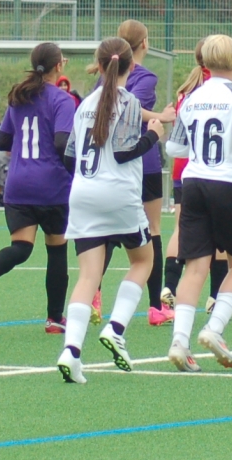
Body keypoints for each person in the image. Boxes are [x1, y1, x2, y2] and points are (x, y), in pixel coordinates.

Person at [54, 37, 165, 383]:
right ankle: (116, 329)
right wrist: (154, 135)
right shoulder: (129, 102)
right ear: (131, 66)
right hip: (119, 195)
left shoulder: (85, 103)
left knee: (88, 276)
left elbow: (70, 156)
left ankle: (71, 351)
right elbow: (123, 152)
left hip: (83, 195)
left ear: (99, 66)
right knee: (143, 261)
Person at [163, 34, 232, 370]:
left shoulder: (192, 97)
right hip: (229, 183)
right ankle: (214, 328)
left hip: (193, 183)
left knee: (195, 267)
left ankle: (180, 340)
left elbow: (174, 148)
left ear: (205, 63)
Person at [0, 42, 78, 332]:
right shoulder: (62, 99)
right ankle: (54, 319)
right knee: (57, 250)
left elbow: (3, 141)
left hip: (19, 185)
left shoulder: (19, 97)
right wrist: (75, 171)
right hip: (52, 186)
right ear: (59, 66)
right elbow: (62, 142)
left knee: (21, 247)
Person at [116, 20, 175, 324]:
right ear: (144, 44)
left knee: (107, 229)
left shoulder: (105, 77)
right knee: (153, 229)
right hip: (143, 160)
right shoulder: (145, 76)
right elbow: (130, 108)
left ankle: (94, 296)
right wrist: (162, 117)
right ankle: (155, 307)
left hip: (111, 161)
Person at [160, 41, 219, 308]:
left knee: (181, 228)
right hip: (210, 168)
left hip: (182, 168)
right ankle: (215, 296)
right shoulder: (219, 88)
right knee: (220, 233)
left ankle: (169, 286)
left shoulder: (186, 90)